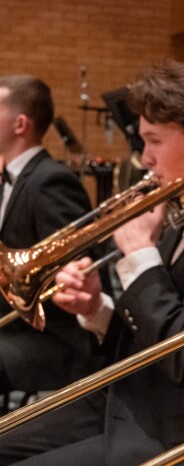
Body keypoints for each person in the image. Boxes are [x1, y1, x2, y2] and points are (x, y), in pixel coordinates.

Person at [0, 60, 184, 465]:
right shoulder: (183, 202)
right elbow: (148, 338)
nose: (144, 159)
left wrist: (141, 258)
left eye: (153, 141)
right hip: (128, 400)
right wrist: (96, 309)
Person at [0, 75, 105, 397]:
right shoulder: (13, 176)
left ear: (20, 124)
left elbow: (75, 273)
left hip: (53, 338)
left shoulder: (51, 181)